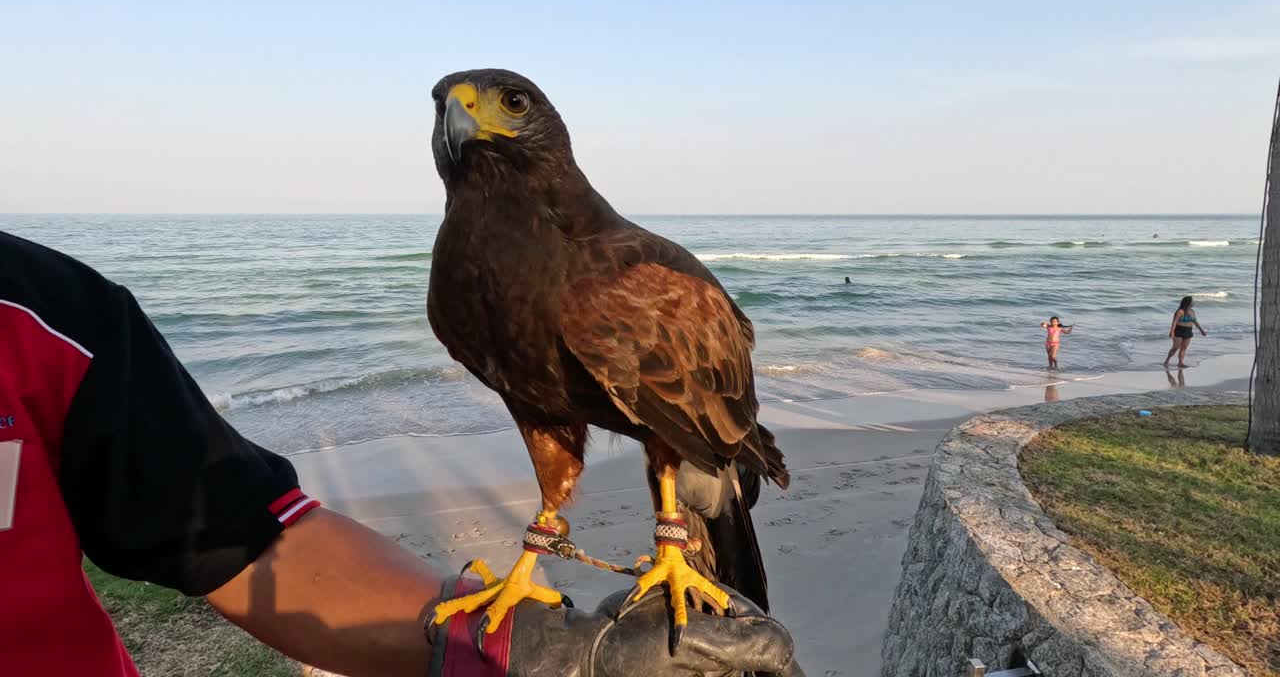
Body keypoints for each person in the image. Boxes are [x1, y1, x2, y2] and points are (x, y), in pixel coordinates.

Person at [0, 232, 802, 677]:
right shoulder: (464, 295)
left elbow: (240, 541)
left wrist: (540, 649)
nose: (465, 119)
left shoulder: (47, 315)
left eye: (502, 104)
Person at [1163, 295, 1208, 368]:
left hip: (1188, 331)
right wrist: (1172, 332)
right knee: (1175, 348)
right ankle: (1167, 360)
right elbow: (1174, 322)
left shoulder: (1192, 311)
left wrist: (1201, 330)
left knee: (1184, 348)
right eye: (1192, 301)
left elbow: (1195, 322)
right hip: (1179, 330)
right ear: (1188, 302)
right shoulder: (1180, 311)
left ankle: (1180, 363)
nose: (1194, 302)